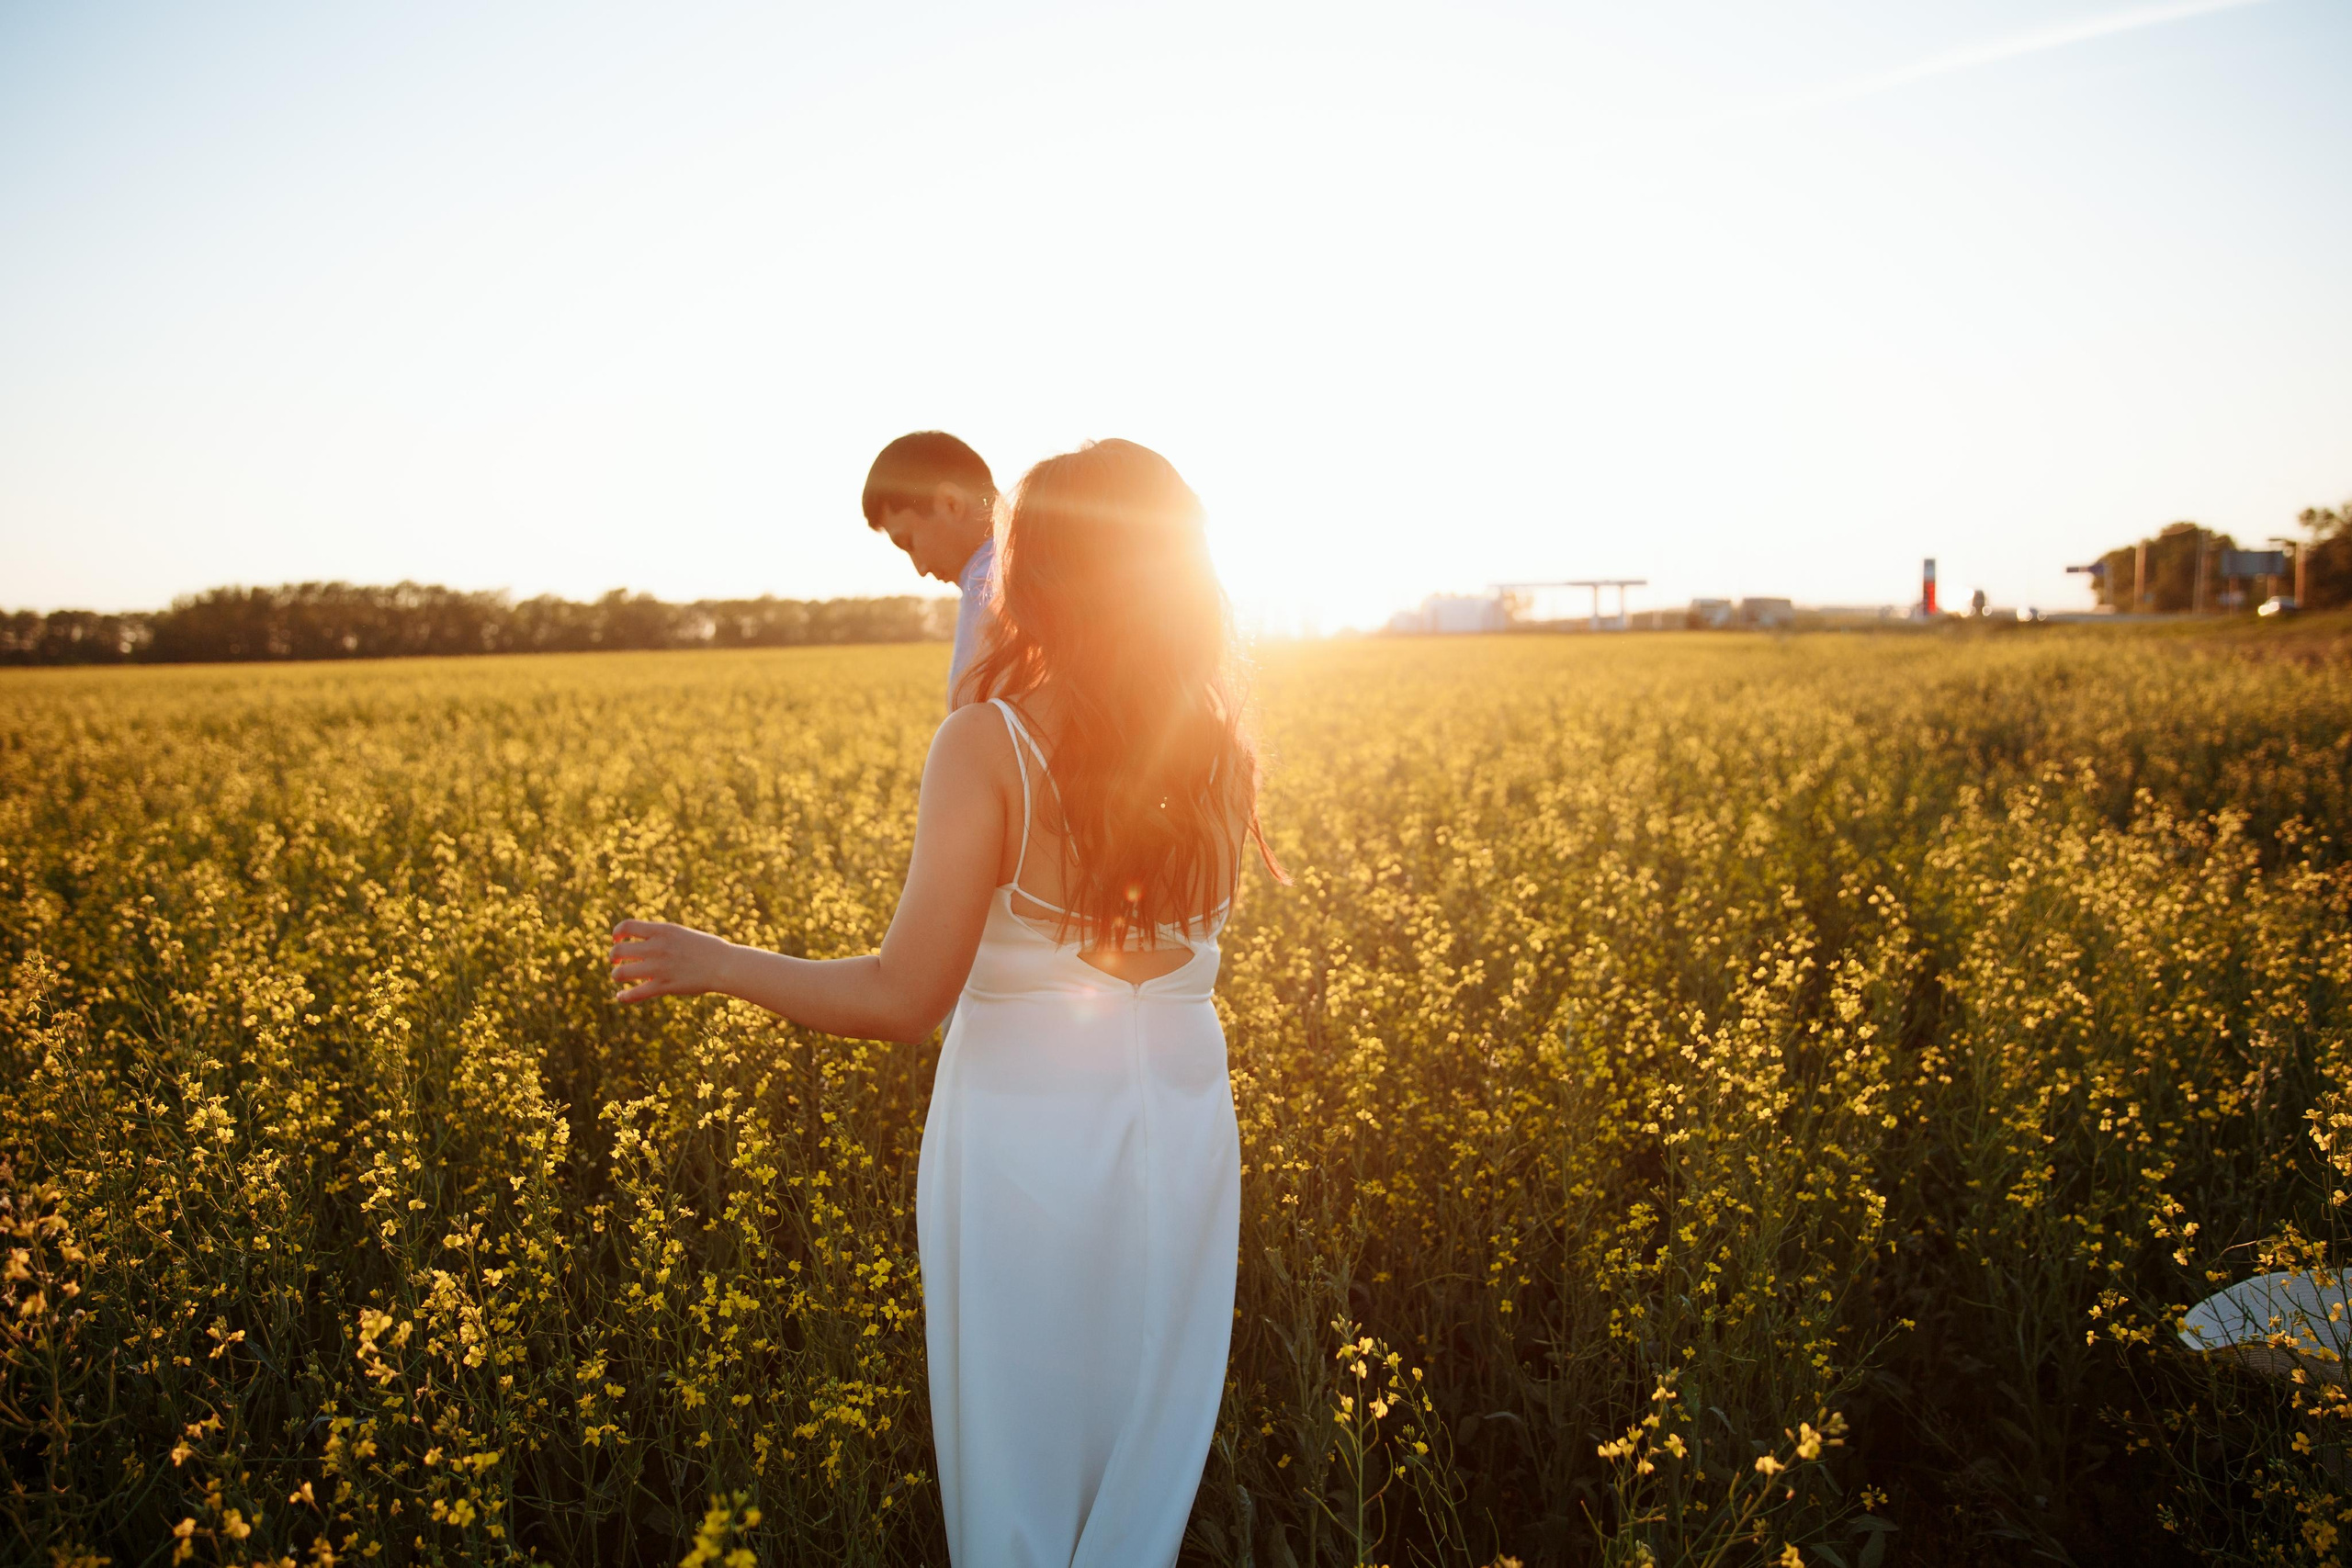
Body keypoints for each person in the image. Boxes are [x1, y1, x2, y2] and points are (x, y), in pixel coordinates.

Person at [610, 438, 1283, 1567]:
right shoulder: (1221, 750)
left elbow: (900, 996)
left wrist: (715, 960)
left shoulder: (988, 745)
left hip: (1021, 1147)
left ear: (1035, 570)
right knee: (1142, 1460)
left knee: (1018, 1462)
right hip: (1181, 1141)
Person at [862, 430, 1001, 709]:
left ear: (951, 503)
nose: (920, 569)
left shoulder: (986, 584)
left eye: (909, 542)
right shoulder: (1043, 567)